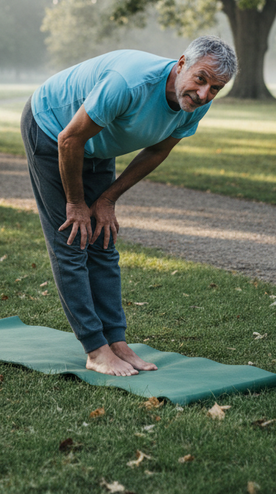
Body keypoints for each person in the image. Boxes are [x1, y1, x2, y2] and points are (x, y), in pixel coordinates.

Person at [20, 36, 237, 376]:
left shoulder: (196, 103)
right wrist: (77, 203)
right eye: (201, 79)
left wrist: (108, 198)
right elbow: (70, 139)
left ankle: (116, 342)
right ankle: (95, 350)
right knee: (73, 239)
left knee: (103, 239)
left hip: (96, 145)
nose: (205, 93)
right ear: (182, 64)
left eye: (216, 88)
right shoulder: (130, 82)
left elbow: (157, 150)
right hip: (54, 130)